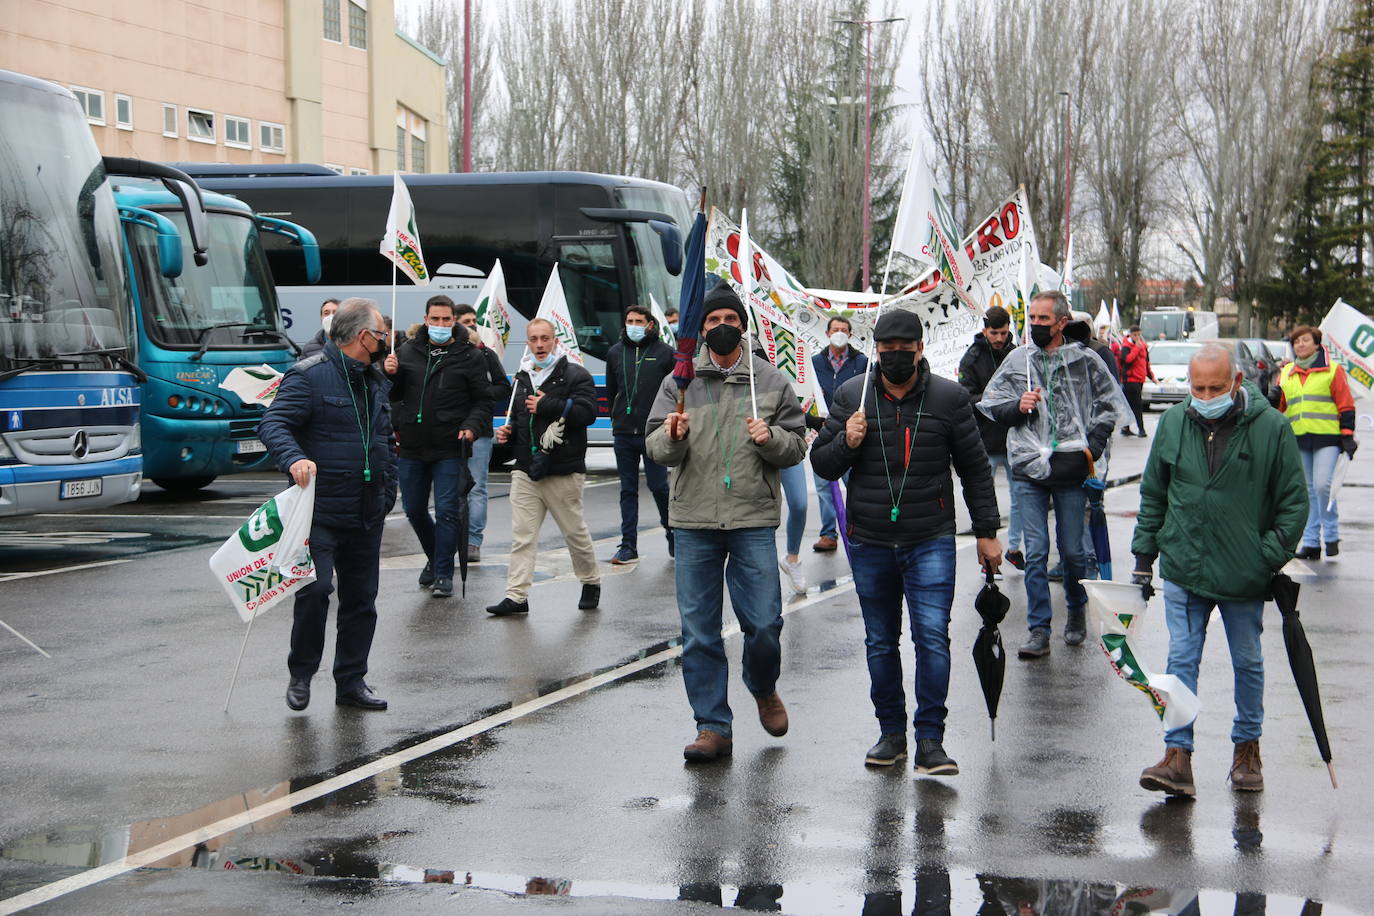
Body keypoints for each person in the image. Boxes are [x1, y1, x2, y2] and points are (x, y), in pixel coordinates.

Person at [814, 310, 1002, 774]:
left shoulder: (949, 398)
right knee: (880, 641)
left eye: (905, 349)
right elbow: (824, 465)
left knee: (932, 639)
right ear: (875, 351)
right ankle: (891, 734)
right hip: (871, 539)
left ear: (920, 350)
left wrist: (987, 533)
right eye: (886, 350)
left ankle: (930, 740)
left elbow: (975, 470)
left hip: (929, 539)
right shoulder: (850, 395)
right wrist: (847, 442)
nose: (896, 357)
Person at [1133, 344, 1307, 796]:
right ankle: (1177, 755)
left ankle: (1247, 749)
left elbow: (1293, 502)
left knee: (1247, 661)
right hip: (1185, 564)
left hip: (1243, 572)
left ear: (1235, 382)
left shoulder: (1270, 427)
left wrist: (1264, 554)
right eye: (1197, 387)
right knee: (1180, 660)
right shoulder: (1174, 423)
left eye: (1215, 387)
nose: (1206, 396)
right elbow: (1154, 494)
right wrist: (1143, 559)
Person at [646, 284, 807, 761]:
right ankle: (712, 726)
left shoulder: (770, 380)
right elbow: (654, 446)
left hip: (752, 517)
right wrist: (672, 438)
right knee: (698, 631)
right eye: (712, 319)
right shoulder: (679, 380)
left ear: (743, 325)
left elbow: (797, 445)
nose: (721, 327)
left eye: (730, 320)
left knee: (763, 624)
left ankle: (762, 684)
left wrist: (770, 438)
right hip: (693, 519)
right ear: (702, 328)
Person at [258, 298, 397, 712]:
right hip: (319, 512)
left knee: (361, 601)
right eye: (381, 335)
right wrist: (294, 458)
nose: (386, 341)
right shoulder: (309, 376)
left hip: (367, 510)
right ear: (362, 336)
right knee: (315, 592)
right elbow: (273, 423)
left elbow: (384, 439)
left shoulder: (374, 381)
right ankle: (301, 675)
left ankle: (351, 682)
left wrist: (387, 490)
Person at [978, 290, 1127, 658]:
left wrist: (1091, 446)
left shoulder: (1085, 361)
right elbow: (991, 402)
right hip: (1029, 469)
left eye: (1044, 319)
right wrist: (1018, 405)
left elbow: (1111, 405)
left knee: (1074, 552)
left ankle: (1075, 611)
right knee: (1036, 551)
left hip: (1071, 467)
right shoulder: (1018, 360)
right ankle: (1039, 629)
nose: (1036, 325)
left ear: (1062, 322)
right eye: (1032, 319)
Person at [486, 319, 601, 616]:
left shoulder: (576, 375)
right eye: (534, 339)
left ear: (555, 341)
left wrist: (549, 404)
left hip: (562, 468)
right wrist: (508, 436)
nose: (539, 345)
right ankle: (517, 596)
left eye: (545, 339)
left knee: (574, 533)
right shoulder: (523, 376)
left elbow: (589, 412)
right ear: (528, 343)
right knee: (522, 536)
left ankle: (590, 581)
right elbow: (523, 421)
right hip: (526, 470)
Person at [382, 295, 492, 598]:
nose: (441, 325)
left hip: (449, 446)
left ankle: (444, 573)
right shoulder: (406, 351)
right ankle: (435, 557)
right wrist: (391, 373)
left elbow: (483, 400)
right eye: (436, 319)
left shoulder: (470, 355)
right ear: (426, 319)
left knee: (446, 511)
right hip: (413, 446)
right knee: (414, 509)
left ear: (453, 321)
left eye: (446, 320)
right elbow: (393, 394)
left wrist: (471, 426)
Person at [1275, 325, 1358, 559]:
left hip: (1327, 438)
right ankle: (1312, 542)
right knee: (1307, 491)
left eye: (1305, 340)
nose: (1300, 344)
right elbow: (1279, 405)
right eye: (1296, 341)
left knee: (1323, 486)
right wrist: (1272, 395)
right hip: (1298, 438)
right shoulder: (1287, 372)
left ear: (1316, 343)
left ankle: (1331, 535)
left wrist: (1348, 434)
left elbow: (1346, 404)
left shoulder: (1332, 369)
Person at [604, 305, 676, 564]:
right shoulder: (614, 353)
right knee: (627, 490)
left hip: (653, 432)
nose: (633, 325)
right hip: (624, 432)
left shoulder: (665, 353)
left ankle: (672, 532)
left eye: (638, 321)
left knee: (659, 486)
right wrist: (616, 418)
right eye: (629, 320)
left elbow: (673, 392)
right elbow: (612, 391)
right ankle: (628, 545)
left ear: (649, 324)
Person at [958, 306, 1021, 569]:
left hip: (1014, 436)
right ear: (985, 330)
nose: (999, 338)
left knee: (1020, 497)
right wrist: (990, 401)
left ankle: (1015, 547)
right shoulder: (971, 359)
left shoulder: (1017, 354)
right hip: (984, 437)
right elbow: (964, 396)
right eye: (994, 333)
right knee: (985, 497)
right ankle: (988, 554)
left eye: (1003, 333)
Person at [455, 303, 512, 564]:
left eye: (472, 321)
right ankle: (451, 537)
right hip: (449, 431)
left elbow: (503, 387)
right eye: (465, 321)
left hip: (480, 431)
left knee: (476, 487)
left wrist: (481, 394)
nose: (470, 326)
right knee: (449, 488)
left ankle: (473, 541)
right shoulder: (447, 354)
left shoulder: (485, 354)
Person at [809, 315, 868, 553]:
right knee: (824, 485)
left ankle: (858, 529)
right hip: (822, 432)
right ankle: (828, 534)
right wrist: (813, 422)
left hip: (851, 432)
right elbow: (804, 398)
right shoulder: (813, 362)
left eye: (844, 329)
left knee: (854, 482)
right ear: (827, 333)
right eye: (835, 329)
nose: (840, 333)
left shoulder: (862, 362)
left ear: (851, 335)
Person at [1117, 326, 1156, 437]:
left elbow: (1146, 363)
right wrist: (1136, 349)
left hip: (1140, 379)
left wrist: (1152, 377)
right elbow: (1127, 360)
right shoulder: (1126, 346)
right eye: (1135, 335)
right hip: (1130, 379)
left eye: (1139, 335)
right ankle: (1141, 429)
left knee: (1130, 404)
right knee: (1137, 404)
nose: (1137, 337)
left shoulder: (1143, 346)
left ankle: (1126, 428)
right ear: (1130, 335)